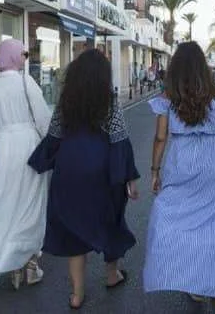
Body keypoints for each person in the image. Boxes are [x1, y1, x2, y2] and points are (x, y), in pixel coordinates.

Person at [28, 49, 140, 310]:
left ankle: (77, 295)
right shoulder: (108, 100)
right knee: (110, 221)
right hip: (101, 170)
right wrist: (130, 177)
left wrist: (38, 162)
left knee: (72, 231)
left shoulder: (67, 99)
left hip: (69, 168)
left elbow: (54, 135)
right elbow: (119, 139)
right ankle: (112, 275)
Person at [143, 41, 215, 313]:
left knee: (174, 220)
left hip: (182, 161)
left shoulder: (168, 97)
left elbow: (161, 137)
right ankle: (214, 283)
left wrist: (154, 171)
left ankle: (193, 283)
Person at [0, 39, 52, 289]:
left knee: (3, 203)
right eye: (22, 53)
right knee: (31, 203)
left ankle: (7, 263)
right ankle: (29, 264)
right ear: (12, 56)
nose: (25, 56)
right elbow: (43, 118)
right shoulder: (26, 82)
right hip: (28, 145)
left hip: (3, 147)